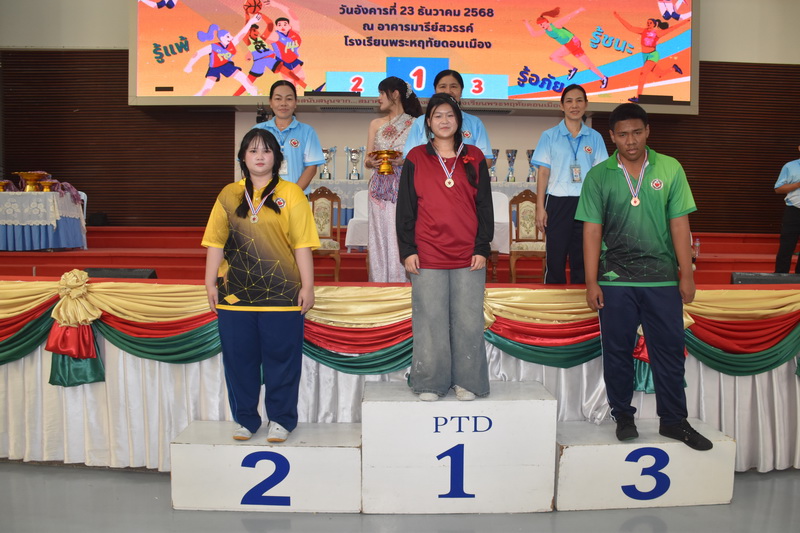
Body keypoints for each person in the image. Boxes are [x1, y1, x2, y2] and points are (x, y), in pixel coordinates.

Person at [576, 102, 712, 451]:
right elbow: (591, 231)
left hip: (662, 280)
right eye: (623, 134)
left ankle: (674, 420)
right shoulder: (599, 176)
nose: (631, 140)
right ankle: (623, 416)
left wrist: (686, 274)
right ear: (612, 136)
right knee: (617, 352)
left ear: (648, 131)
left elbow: (679, 225)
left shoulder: (669, 168)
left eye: (637, 132)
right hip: (615, 281)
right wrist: (591, 282)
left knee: (669, 353)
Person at [202, 128, 320, 443]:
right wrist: (210, 282)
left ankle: (281, 419)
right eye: (253, 150)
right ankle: (246, 420)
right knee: (238, 361)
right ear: (243, 157)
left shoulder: (292, 193)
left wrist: (308, 286)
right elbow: (215, 242)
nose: (259, 156)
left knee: (283, 360)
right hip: (234, 293)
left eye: (266, 151)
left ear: (276, 158)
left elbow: (303, 244)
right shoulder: (228, 194)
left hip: (282, 293)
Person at [396, 92, 494, 402]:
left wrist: (482, 247)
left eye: (450, 115)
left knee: (469, 320)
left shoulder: (474, 156)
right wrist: (408, 250)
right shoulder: (416, 157)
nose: (444, 121)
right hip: (427, 252)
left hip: (469, 254)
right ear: (428, 122)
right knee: (430, 320)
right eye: (437, 115)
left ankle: (468, 381)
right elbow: (406, 209)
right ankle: (429, 383)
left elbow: (485, 205)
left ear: (459, 121)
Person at [532, 84, 608, 284]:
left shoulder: (595, 137)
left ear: (586, 104)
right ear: (562, 106)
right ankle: (553, 299)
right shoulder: (549, 136)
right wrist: (540, 207)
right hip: (557, 201)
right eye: (569, 101)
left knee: (583, 256)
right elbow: (543, 173)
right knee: (555, 257)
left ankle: (582, 299)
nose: (574, 105)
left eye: (579, 100)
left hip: (586, 202)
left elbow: (601, 175)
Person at [363, 77, 423, 282]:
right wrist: (372, 162)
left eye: (382, 93)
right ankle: (379, 283)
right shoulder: (375, 124)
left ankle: (403, 283)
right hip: (378, 189)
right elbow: (367, 159)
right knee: (379, 235)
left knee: (401, 232)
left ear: (395, 94)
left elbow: (422, 158)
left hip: (404, 186)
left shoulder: (415, 124)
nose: (379, 98)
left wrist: (403, 161)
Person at [402, 70, 494, 164]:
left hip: (463, 173)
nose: (448, 91)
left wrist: (455, 167)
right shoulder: (420, 122)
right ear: (435, 90)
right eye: (443, 86)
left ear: (461, 90)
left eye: (453, 86)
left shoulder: (475, 123)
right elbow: (409, 159)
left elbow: (486, 161)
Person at [252, 80, 324, 194]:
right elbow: (247, 164)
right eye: (278, 98)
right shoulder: (257, 130)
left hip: (297, 196)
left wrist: (293, 193)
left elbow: (311, 168)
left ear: (295, 103)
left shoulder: (307, 131)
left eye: (289, 99)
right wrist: (261, 193)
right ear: (270, 102)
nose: (283, 103)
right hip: (264, 197)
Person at [613, 12, 691, 102]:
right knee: (659, 75)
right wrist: (618, 17)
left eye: (650, 23)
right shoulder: (643, 31)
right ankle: (673, 68)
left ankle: (638, 97)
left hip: (653, 56)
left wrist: (685, 22)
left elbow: (672, 28)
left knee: (643, 74)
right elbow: (630, 27)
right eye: (647, 22)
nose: (648, 24)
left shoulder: (658, 33)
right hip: (645, 56)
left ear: (654, 24)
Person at [524, 7, 609, 89]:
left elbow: (568, 17)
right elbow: (534, 34)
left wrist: (578, 10)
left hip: (574, 42)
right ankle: (573, 69)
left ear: (546, 21)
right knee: (554, 57)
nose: (541, 26)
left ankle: (603, 77)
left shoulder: (555, 25)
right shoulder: (545, 30)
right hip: (568, 45)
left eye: (542, 24)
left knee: (588, 64)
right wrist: (526, 23)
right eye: (539, 25)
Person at [184, 16, 261, 97]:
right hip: (214, 68)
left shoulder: (231, 44)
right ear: (221, 38)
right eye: (228, 36)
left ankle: (255, 95)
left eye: (230, 36)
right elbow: (198, 53)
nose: (231, 38)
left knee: (243, 78)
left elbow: (241, 34)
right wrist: (189, 66)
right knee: (206, 89)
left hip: (226, 65)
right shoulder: (214, 47)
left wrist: (251, 22)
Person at [773, 144, 800, 273]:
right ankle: (780, 276)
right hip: (794, 210)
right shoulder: (790, 166)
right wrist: (798, 184)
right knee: (787, 245)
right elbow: (778, 189)